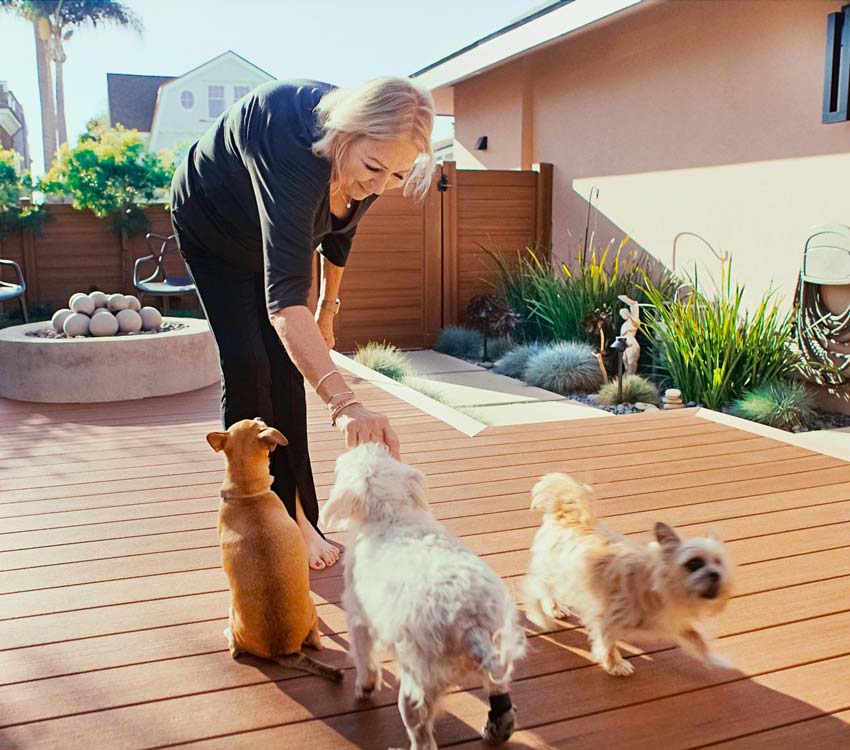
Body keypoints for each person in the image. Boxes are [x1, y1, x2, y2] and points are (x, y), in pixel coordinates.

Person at [170, 77, 435, 569]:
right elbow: (283, 301)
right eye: (373, 168)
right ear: (344, 133)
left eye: (396, 176)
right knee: (249, 362)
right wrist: (346, 404)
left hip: (278, 239)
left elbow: (338, 238)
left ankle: (298, 518)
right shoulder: (291, 144)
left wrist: (327, 312)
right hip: (215, 227)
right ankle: (253, 518)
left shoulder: (375, 159)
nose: (377, 186)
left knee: (290, 367)